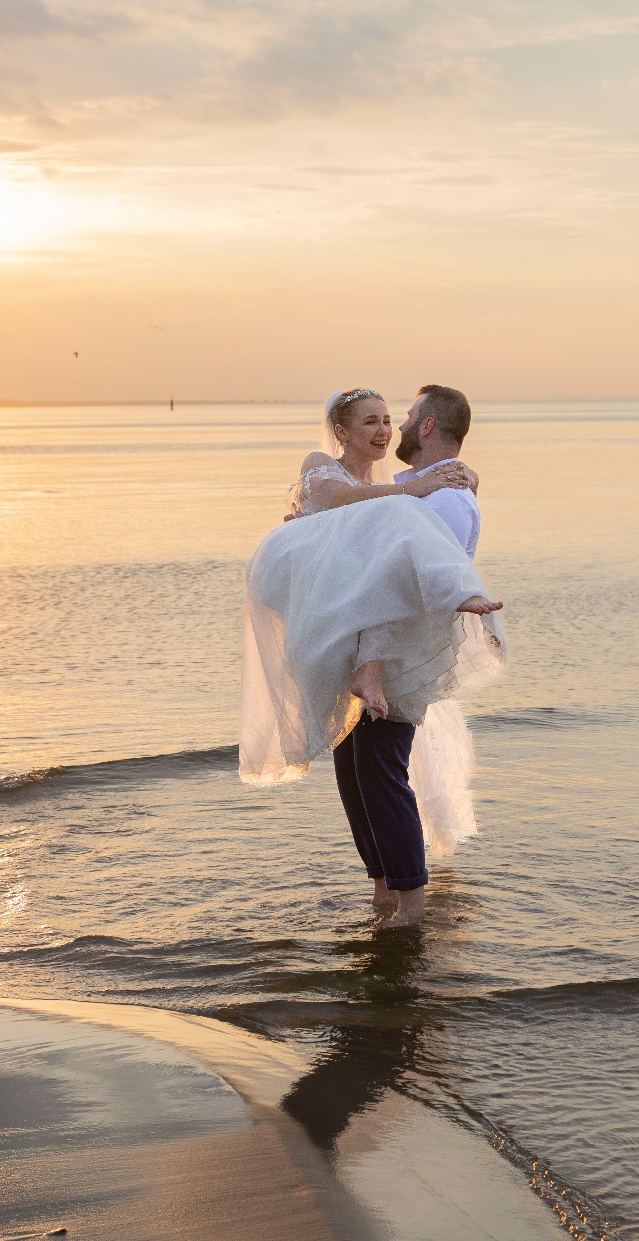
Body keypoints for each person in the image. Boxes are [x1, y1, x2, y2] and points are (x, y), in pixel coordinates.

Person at [239, 388, 506, 929]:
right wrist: (434, 478)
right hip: (334, 631)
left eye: (395, 419)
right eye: (373, 421)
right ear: (342, 430)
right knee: (354, 767)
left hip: (399, 652)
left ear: (426, 426)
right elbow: (351, 501)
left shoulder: (426, 496)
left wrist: (457, 477)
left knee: (380, 770)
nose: (388, 429)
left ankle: (409, 905)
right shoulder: (352, 478)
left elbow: (408, 561)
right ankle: (383, 890)